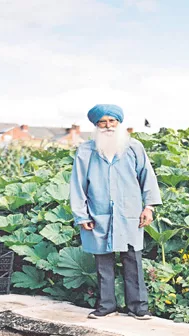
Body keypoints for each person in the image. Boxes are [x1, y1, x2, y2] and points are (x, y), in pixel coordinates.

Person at [70, 104, 163, 319]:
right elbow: (78, 184)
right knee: (103, 262)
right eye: (103, 122)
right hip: (98, 214)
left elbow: (147, 177)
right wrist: (81, 215)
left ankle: (138, 308)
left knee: (133, 259)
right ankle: (106, 306)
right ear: (96, 125)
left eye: (112, 121)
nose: (108, 126)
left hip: (130, 213)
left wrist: (148, 207)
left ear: (119, 123)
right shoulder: (86, 151)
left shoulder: (134, 147)